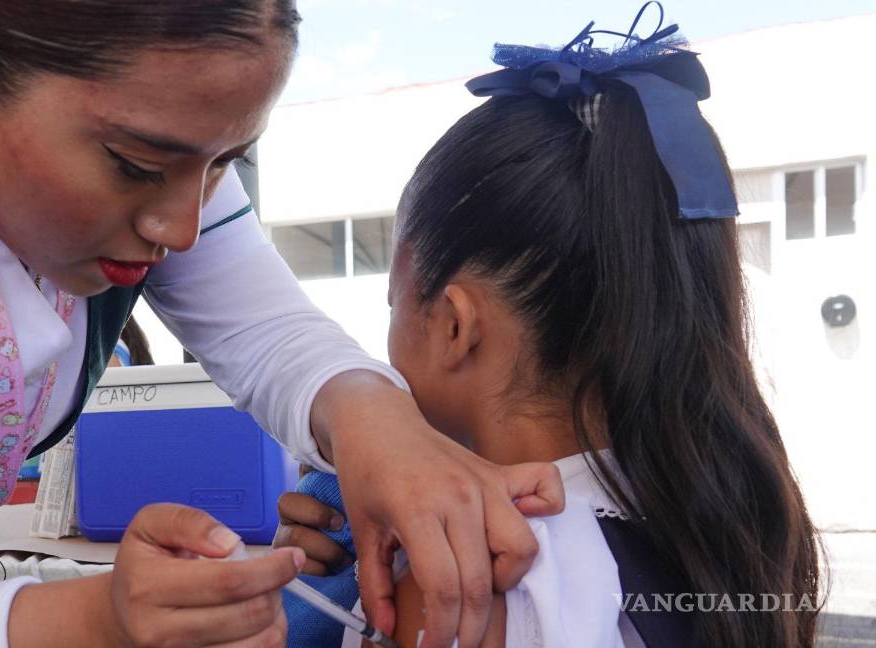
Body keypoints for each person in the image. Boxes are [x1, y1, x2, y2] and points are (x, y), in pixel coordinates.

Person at [0, 0, 565, 646]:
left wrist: (379, 425)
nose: (183, 229)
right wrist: (98, 620)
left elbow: (264, 328)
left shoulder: (158, 126)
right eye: (136, 167)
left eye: (224, 165)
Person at [276, 8, 821, 647]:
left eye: (393, 301)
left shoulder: (466, 580)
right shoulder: (713, 525)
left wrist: (302, 610)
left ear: (454, 324)